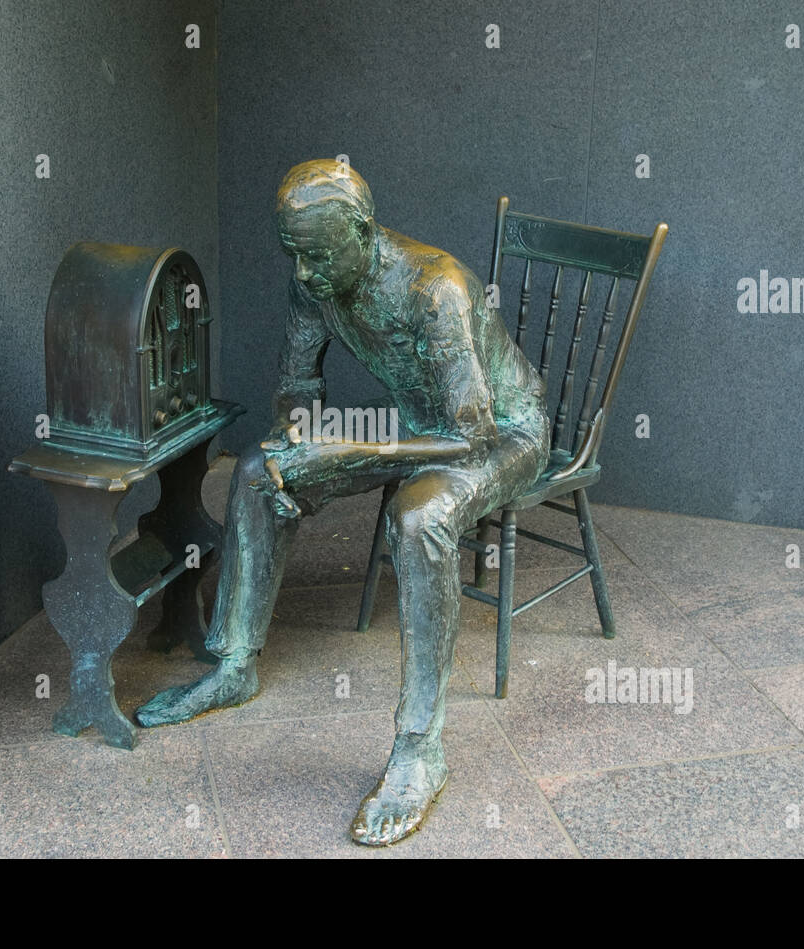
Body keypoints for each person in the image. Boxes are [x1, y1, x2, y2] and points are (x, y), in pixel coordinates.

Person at [137, 159, 548, 845]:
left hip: (503, 431)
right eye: (293, 254)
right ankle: (233, 664)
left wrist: (350, 453)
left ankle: (419, 749)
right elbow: (298, 386)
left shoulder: (432, 289)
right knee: (258, 470)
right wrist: (301, 440)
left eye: (318, 254)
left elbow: (470, 436)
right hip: (417, 423)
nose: (303, 273)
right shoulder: (315, 279)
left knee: (419, 518)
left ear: (362, 231)